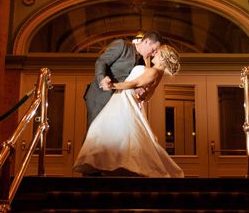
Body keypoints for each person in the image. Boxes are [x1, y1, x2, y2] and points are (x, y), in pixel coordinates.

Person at [74, 45, 184, 178]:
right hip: (126, 101)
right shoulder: (156, 74)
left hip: (124, 100)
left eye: (158, 52)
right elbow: (145, 97)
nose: (154, 53)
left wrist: (112, 85)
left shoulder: (152, 72)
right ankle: (114, 168)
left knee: (108, 133)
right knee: (118, 135)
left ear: (163, 58)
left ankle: (109, 167)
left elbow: (133, 84)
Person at [84, 31, 162, 128]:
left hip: (119, 103)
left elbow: (132, 83)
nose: (154, 54)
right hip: (100, 97)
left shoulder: (142, 63)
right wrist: (102, 79)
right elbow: (101, 62)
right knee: (94, 136)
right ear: (146, 41)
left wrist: (137, 89)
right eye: (154, 50)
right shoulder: (123, 45)